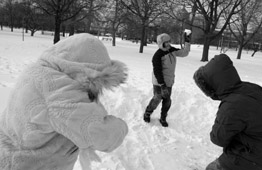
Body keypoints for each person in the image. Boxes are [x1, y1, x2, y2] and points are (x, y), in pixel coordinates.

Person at [0, 33, 128, 170]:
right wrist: (122, 126)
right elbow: (101, 135)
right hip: (30, 165)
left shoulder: (38, 71)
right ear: (87, 72)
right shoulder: (59, 93)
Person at [193, 54, 262, 170]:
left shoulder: (232, 105)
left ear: (212, 87)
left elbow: (218, 138)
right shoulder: (253, 88)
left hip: (254, 158)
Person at [143, 31, 191, 127]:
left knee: (167, 100)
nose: (169, 44)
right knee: (157, 98)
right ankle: (148, 112)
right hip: (159, 81)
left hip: (169, 81)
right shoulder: (158, 55)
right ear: (161, 43)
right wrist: (162, 84)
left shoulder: (171, 50)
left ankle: (163, 117)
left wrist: (187, 42)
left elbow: (184, 53)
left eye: (169, 41)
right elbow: (157, 71)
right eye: (166, 42)